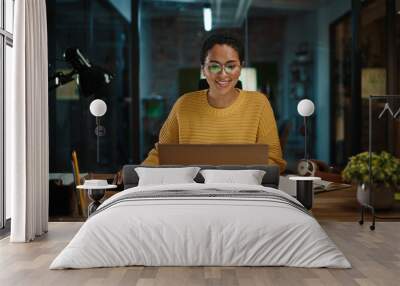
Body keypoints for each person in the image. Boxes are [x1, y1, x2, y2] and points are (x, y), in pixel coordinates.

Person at [142, 33, 286, 172]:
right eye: (214, 66)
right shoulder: (183, 104)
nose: (223, 74)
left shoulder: (259, 103)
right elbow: (161, 155)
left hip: (244, 190)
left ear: (241, 68)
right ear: (203, 69)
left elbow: (273, 159)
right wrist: (138, 173)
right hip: (191, 190)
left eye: (231, 66)